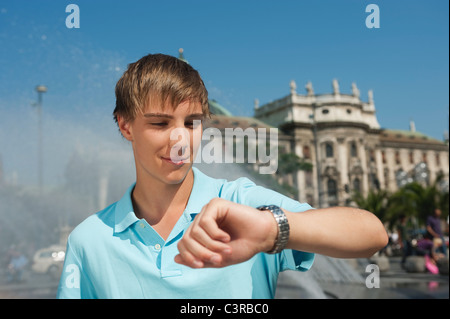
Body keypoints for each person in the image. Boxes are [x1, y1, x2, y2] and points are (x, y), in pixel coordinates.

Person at [57, 53, 388, 299]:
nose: (180, 140)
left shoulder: (241, 204)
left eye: (192, 123)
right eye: (160, 124)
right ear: (125, 125)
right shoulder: (89, 242)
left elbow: (371, 233)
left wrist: (271, 229)